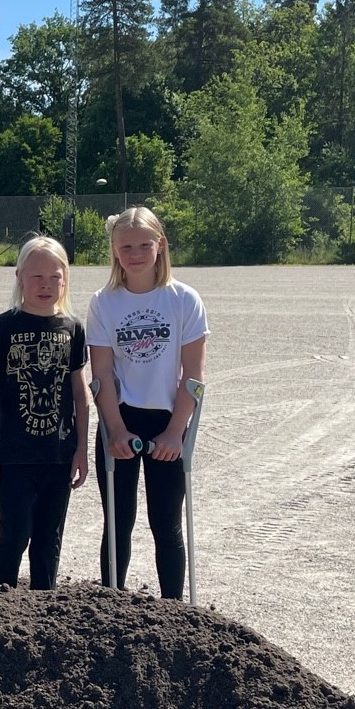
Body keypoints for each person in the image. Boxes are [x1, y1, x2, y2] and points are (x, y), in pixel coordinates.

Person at [86, 206, 206, 596]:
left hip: (168, 421)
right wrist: (116, 431)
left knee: (166, 524)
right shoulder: (104, 302)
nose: (135, 254)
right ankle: (111, 606)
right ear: (115, 251)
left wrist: (175, 434)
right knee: (119, 524)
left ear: (160, 246)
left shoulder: (184, 300)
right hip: (120, 419)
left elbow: (192, 376)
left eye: (143, 245)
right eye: (125, 247)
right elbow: (101, 375)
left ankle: (173, 611)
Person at [0, 236, 90, 590]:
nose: (46, 285)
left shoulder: (73, 329)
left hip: (58, 457)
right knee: (15, 535)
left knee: (47, 542)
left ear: (65, 280)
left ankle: (44, 613)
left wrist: (82, 448)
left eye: (55, 277)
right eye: (36, 277)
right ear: (19, 276)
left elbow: (81, 395)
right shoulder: (0, 329)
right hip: (12, 456)